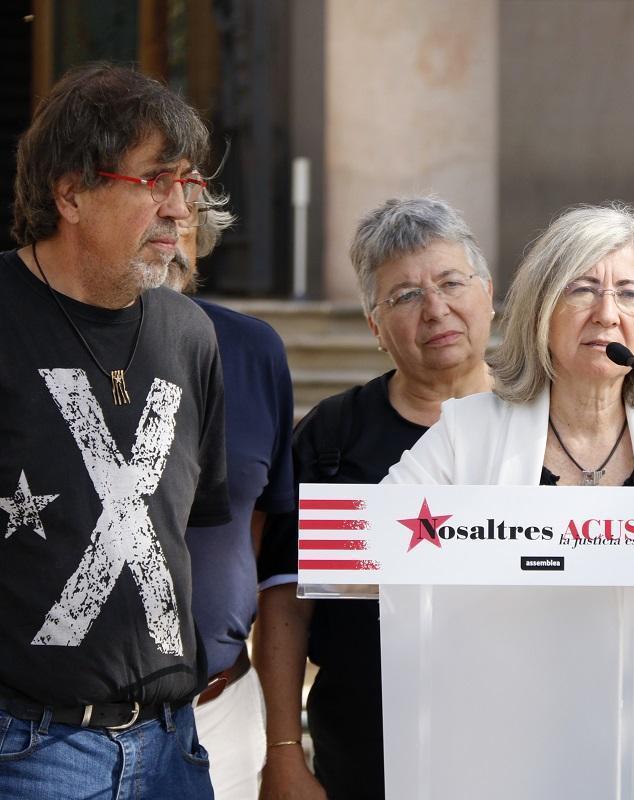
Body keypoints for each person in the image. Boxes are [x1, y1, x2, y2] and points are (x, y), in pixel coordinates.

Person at [385, 203, 634, 800]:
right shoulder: (466, 433)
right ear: (542, 306)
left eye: (629, 294)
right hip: (510, 762)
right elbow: (364, 544)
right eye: (584, 288)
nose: (608, 313)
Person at [0, 63, 229, 797]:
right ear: (70, 192)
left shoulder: (191, 334)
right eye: (155, 180)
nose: (179, 208)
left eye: (186, 182)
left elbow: (197, 520)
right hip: (32, 749)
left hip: (175, 746)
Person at [256, 196, 495, 800]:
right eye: (405, 297)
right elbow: (284, 601)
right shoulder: (331, 438)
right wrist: (283, 750)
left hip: (514, 752)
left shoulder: (548, 426)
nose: (435, 309)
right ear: (375, 328)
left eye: (450, 283)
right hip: (365, 757)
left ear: (488, 294)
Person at [167, 192, 295, 799]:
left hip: (222, 705)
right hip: (69, 727)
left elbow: (261, 525)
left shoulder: (253, 350)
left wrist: (282, 740)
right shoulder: (45, 346)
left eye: (183, 216)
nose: (167, 229)